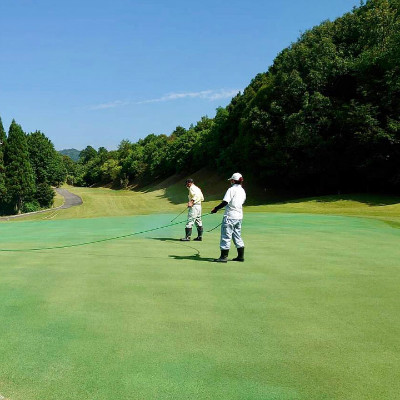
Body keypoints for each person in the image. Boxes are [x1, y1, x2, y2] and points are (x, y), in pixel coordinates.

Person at [211, 172, 246, 262]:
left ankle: (223, 257)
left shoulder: (231, 189)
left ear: (233, 180)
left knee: (226, 236)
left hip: (230, 216)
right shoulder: (242, 190)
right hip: (239, 216)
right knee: (237, 235)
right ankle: (240, 256)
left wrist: (216, 209)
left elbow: (225, 202)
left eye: (231, 180)